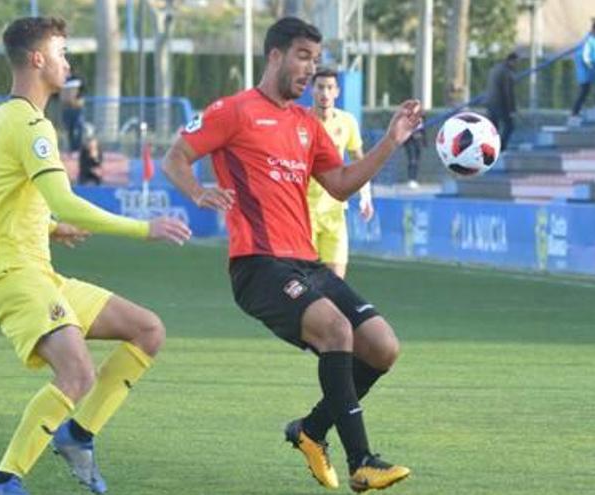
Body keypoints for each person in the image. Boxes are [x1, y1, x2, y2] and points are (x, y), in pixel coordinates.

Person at [163, 17, 419, 493]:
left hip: (307, 262)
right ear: (275, 55)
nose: (310, 69)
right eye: (303, 57)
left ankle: (310, 430)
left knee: (383, 347)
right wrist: (198, 193)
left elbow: (340, 185)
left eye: (316, 60)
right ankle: (362, 459)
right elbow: (175, 156)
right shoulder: (233, 111)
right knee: (337, 331)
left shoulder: (306, 125)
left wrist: (390, 141)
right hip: (257, 264)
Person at [0, 17, 191, 495]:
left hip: (36, 270)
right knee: (77, 372)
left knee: (147, 330)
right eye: (61, 52)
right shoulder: (31, 125)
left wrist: (50, 228)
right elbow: (66, 199)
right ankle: (2, 481)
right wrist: (142, 228)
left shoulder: (2, 118)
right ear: (37, 60)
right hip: (12, 275)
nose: (67, 63)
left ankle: (78, 435)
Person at [308, 68, 373, 279]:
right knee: (303, 280)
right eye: (320, 87)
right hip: (302, 211)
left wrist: (365, 196)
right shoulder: (300, 121)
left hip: (334, 212)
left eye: (329, 88)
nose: (324, 93)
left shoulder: (347, 122)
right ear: (311, 90)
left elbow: (359, 161)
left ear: (337, 91)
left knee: (336, 283)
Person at [571, 18, 595, 123]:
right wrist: (590, 67)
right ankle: (575, 112)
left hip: (593, 69)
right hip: (587, 71)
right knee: (585, 91)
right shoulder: (588, 40)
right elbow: (584, 56)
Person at [485, 51, 518, 151]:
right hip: (500, 104)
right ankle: (501, 147)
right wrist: (512, 109)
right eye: (516, 62)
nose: (516, 65)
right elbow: (507, 92)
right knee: (509, 125)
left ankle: (491, 147)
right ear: (511, 61)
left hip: (490, 102)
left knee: (493, 127)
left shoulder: (495, 69)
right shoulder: (506, 73)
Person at [62, 72, 86, 151]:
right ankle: (72, 148)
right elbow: (63, 98)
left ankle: (78, 147)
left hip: (77, 110)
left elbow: (81, 100)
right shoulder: (64, 81)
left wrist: (76, 101)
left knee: (79, 129)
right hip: (68, 110)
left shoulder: (78, 82)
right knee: (70, 130)